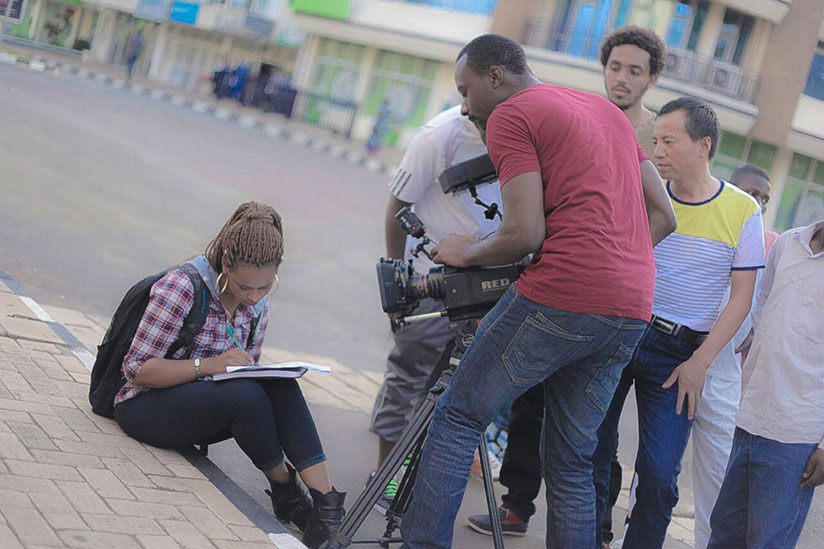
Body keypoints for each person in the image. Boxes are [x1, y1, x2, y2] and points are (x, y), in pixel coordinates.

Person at [400, 34, 676, 548]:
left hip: (564, 291)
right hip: (631, 306)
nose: (464, 105)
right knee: (571, 463)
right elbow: (664, 216)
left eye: (466, 89)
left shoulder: (512, 115)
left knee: (457, 416)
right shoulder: (607, 112)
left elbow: (524, 234)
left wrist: (464, 251)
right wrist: (616, 264)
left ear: (495, 77)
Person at [113, 202, 345, 549]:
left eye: (264, 288)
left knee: (280, 385)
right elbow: (137, 369)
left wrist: (253, 371)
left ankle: (326, 510)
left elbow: (255, 374)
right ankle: (288, 494)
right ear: (225, 266)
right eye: (244, 287)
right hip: (144, 407)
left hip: (208, 406)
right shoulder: (183, 287)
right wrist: (209, 365)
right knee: (245, 396)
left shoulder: (257, 306)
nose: (253, 298)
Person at [592, 97, 765, 549]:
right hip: (622, 334)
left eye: (669, 141)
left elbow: (741, 299)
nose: (658, 151)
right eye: (655, 141)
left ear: (704, 145)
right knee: (589, 453)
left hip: (679, 356)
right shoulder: (641, 190)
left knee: (659, 475)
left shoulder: (743, 209)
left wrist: (700, 363)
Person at [370, 104, 502, 507]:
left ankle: (419, 482)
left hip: (487, 288)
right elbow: (397, 209)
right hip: (430, 281)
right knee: (407, 380)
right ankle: (385, 478)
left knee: (454, 393)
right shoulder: (439, 136)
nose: (465, 104)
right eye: (462, 93)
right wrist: (399, 286)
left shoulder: (526, 131)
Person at [708, 219, 824, 548]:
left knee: (767, 542)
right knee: (724, 535)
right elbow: (761, 303)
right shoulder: (788, 244)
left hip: (796, 436)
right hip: (750, 418)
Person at [689, 164, 778, 549]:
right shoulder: (708, 226)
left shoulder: (769, 248)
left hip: (725, 379)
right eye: (750, 193)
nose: (757, 203)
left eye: (764, 198)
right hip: (681, 365)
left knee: (718, 489)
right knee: (655, 473)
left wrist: (757, 328)